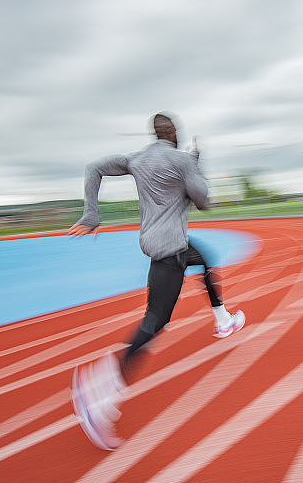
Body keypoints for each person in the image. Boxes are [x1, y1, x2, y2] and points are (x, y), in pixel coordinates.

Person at [68, 112, 245, 450]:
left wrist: (92, 213)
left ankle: (222, 319)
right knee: (155, 321)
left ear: (155, 133)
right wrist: (195, 164)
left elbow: (94, 168)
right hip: (169, 252)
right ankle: (103, 393)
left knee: (205, 259)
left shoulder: (137, 159)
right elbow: (204, 201)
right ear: (173, 133)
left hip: (160, 243)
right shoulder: (180, 159)